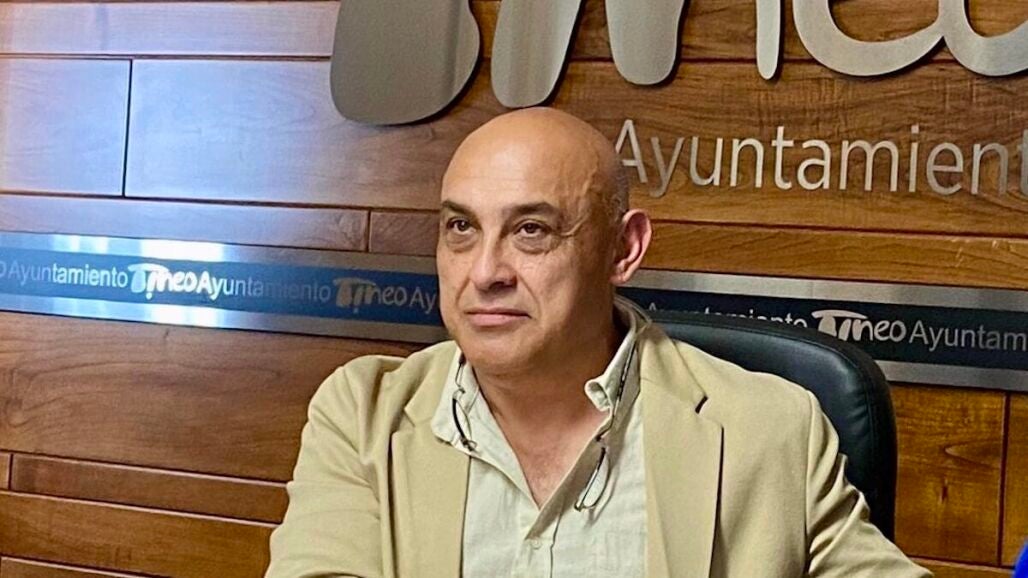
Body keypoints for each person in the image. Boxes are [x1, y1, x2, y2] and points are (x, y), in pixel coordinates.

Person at [265, 108, 930, 577]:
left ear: (623, 249)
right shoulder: (363, 414)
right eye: (461, 229)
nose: (485, 272)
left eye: (531, 230)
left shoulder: (770, 429)